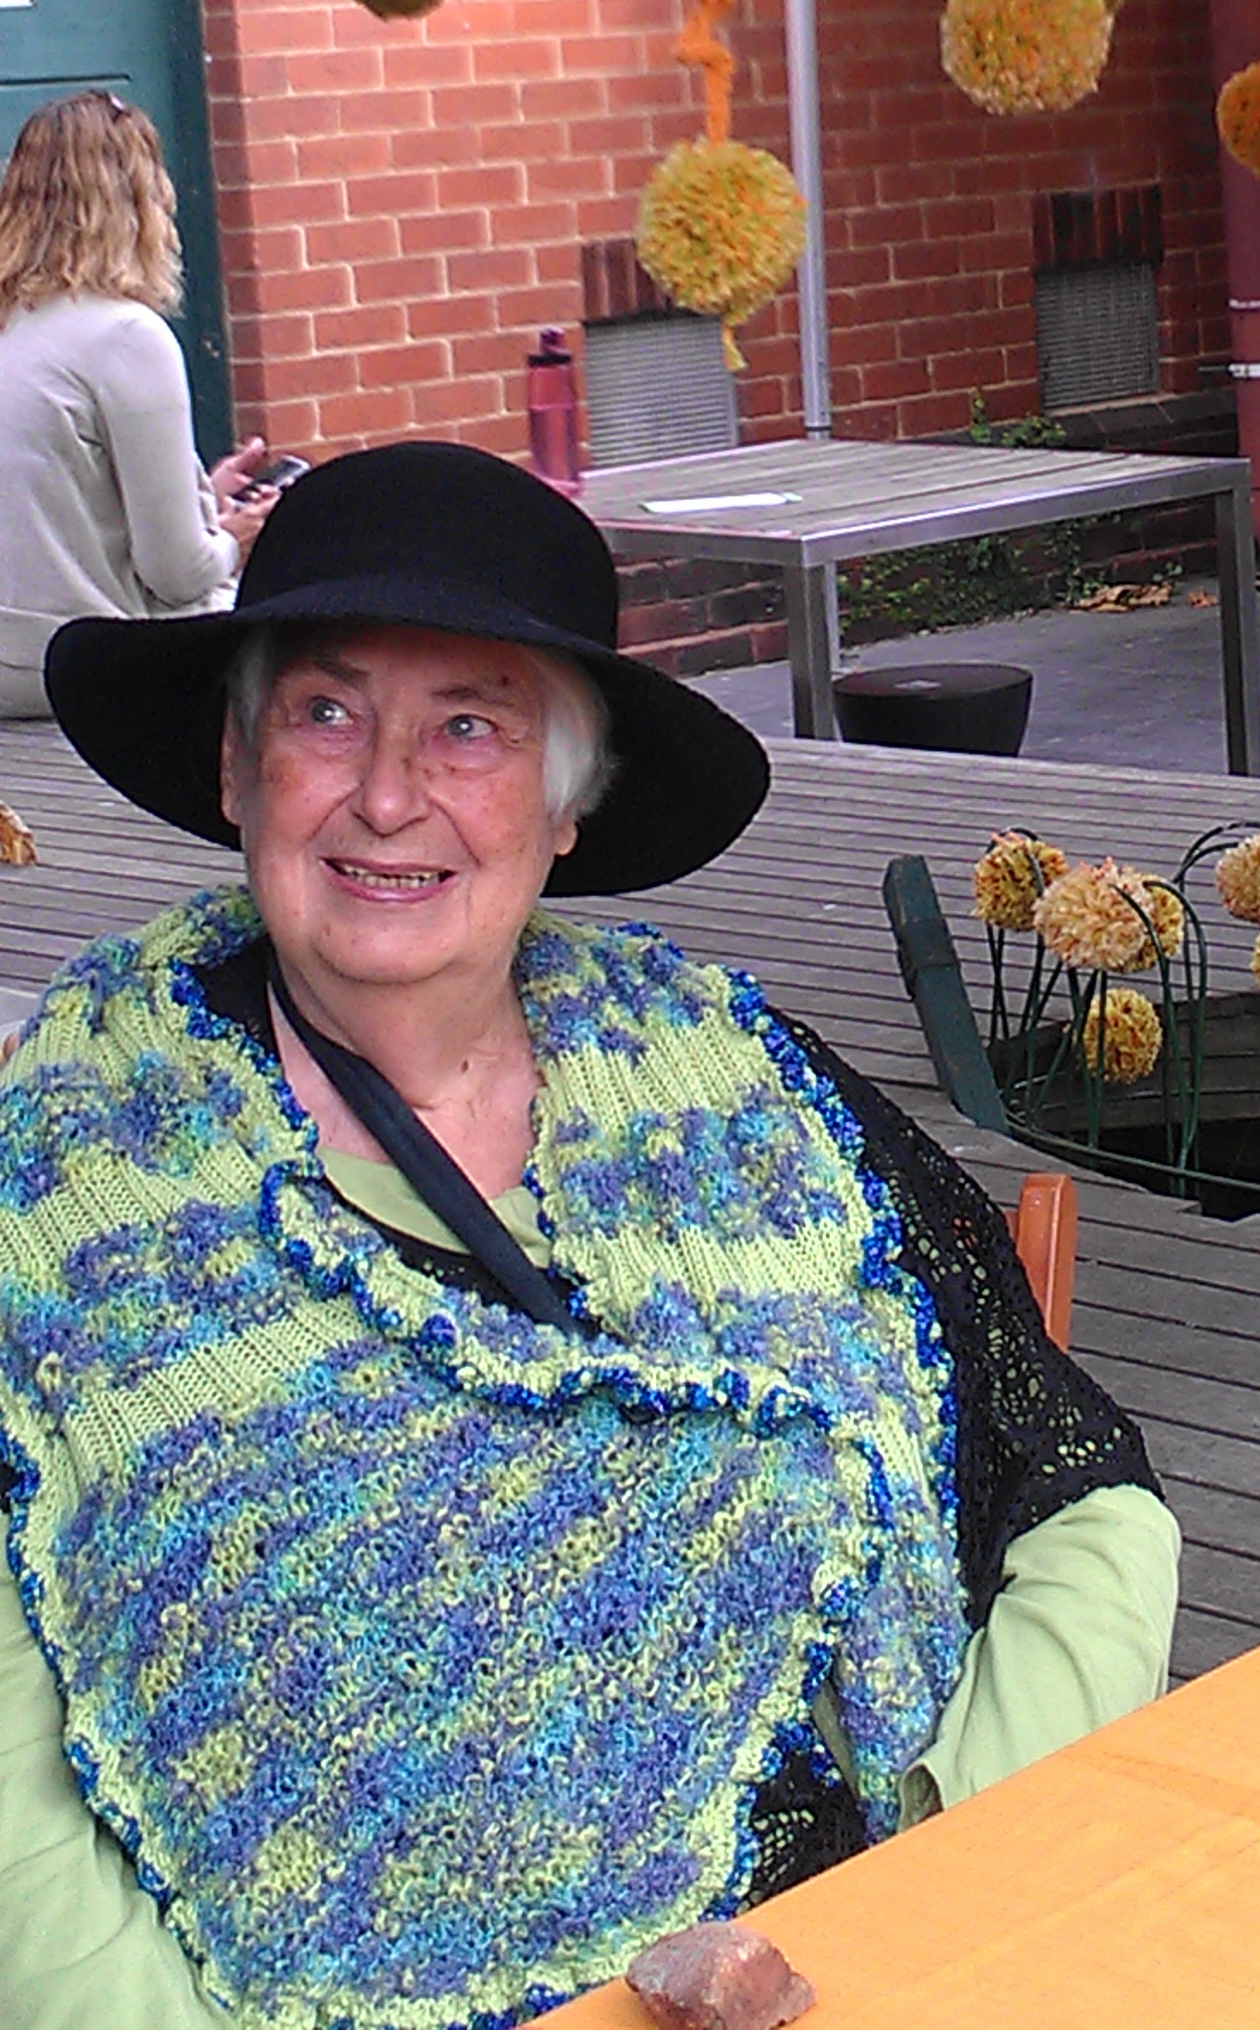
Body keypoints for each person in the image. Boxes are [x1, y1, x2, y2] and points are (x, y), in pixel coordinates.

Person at [0, 441, 1178, 2030]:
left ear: (565, 804)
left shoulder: (736, 1086)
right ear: (235, 769)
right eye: (326, 714)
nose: (388, 796)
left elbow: (1084, 1493)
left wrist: (946, 1878)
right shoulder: (58, 1190)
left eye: (469, 726)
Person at [0, 92, 280, 718]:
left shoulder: (12, 322)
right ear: (140, 199)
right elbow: (177, 574)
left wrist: (200, 492)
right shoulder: (127, 334)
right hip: (76, 667)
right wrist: (236, 539)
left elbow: (51, 507)